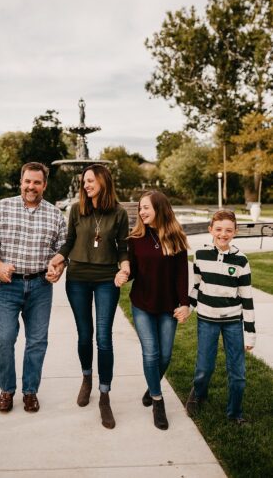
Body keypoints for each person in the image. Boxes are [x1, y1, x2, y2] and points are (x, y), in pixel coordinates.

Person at [0, 162, 67, 414]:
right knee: (4, 340)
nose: (32, 186)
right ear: (21, 182)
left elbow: (62, 251)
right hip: (8, 285)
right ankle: (7, 389)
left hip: (40, 285)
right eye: (28, 181)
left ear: (44, 185)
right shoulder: (2, 207)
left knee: (37, 341)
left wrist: (57, 269)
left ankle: (30, 392)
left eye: (37, 182)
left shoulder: (54, 214)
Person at [47, 163, 129, 429]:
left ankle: (105, 395)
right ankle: (86, 378)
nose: (85, 185)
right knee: (85, 334)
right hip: (78, 278)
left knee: (103, 338)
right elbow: (69, 241)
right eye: (84, 181)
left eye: (90, 180)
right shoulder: (76, 209)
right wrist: (57, 260)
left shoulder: (118, 213)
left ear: (103, 181)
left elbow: (123, 246)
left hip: (106, 279)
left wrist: (125, 265)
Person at [186, 209, 255, 424]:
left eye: (228, 230)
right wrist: (189, 307)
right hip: (206, 319)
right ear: (210, 230)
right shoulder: (200, 255)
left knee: (237, 372)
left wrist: (250, 333)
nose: (223, 234)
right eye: (218, 229)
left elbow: (247, 299)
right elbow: (197, 286)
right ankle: (198, 394)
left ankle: (235, 413)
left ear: (235, 232)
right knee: (205, 367)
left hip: (233, 322)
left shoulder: (241, 261)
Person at [128, 190, 189, 430]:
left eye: (146, 208)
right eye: (140, 208)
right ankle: (157, 399)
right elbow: (132, 270)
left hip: (168, 306)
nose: (141, 212)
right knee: (151, 353)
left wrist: (184, 303)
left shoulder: (176, 238)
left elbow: (182, 275)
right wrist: (123, 273)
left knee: (165, 356)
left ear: (159, 209)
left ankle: (150, 386)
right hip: (142, 303)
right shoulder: (135, 238)